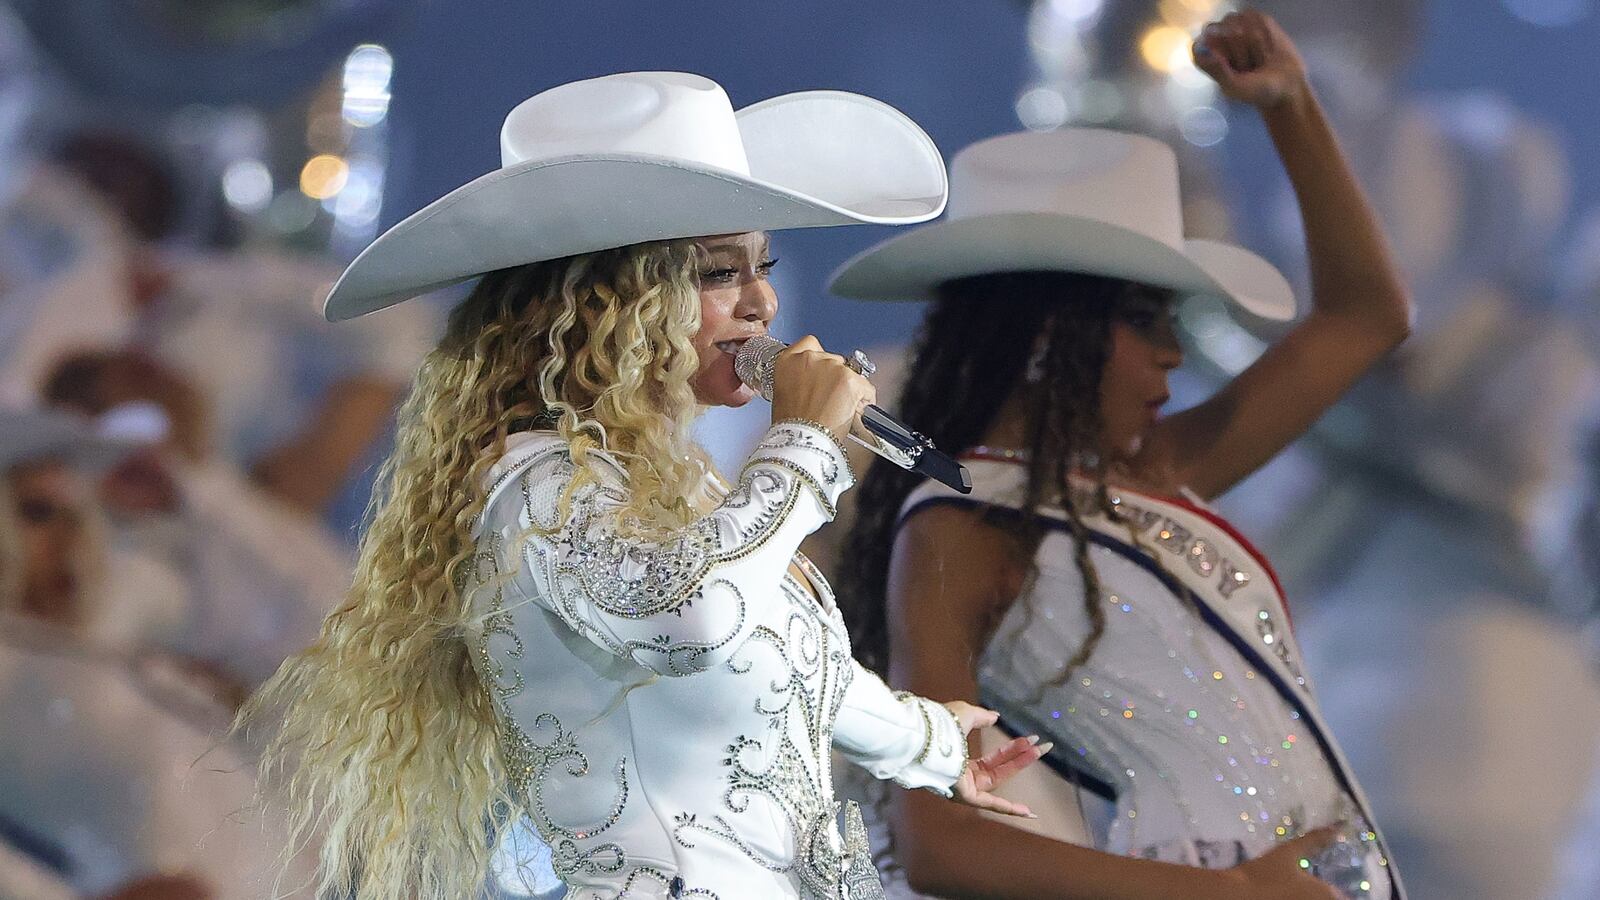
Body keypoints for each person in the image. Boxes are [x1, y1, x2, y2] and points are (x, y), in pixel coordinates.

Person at [244, 71, 1048, 900]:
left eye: (760, 267)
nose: (762, 302)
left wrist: (938, 743)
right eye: (715, 274)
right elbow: (688, 619)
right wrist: (803, 445)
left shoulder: (689, 499)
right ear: (605, 301)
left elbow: (788, 667)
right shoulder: (535, 485)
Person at [834, 12, 1410, 900]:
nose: (1174, 355)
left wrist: (1292, 107)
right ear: (1045, 338)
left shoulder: (1155, 475)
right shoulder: (964, 523)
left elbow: (1367, 319)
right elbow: (940, 840)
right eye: (1146, 322)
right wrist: (1238, 894)